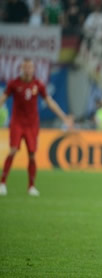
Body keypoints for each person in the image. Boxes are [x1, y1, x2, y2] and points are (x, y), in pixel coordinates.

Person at [0, 59, 73, 196]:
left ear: (33, 69)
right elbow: (3, 99)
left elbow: (50, 102)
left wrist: (64, 117)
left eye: (30, 68)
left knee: (32, 155)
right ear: (21, 69)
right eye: (26, 67)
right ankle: (2, 183)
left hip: (32, 125)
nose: (28, 70)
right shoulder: (14, 84)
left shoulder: (38, 84)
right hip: (17, 122)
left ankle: (31, 186)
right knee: (13, 150)